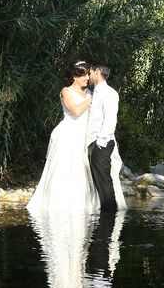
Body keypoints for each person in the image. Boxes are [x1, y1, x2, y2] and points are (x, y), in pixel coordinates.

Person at [26, 61, 99, 212]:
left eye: (88, 75)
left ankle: (79, 204)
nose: (87, 78)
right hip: (69, 134)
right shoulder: (66, 91)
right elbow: (76, 111)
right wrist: (91, 100)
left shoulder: (89, 92)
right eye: (84, 75)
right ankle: (59, 203)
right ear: (75, 76)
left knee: (81, 169)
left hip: (84, 134)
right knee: (65, 168)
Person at [86, 64, 127, 212]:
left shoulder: (109, 93)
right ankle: (105, 216)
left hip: (101, 143)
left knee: (104, 182)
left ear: (97, 72)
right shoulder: (92, 93)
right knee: (98, 181)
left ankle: (109, 217)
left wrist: (101, 142)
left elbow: (110, 119)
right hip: (92, 141)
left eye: (90, 72)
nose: (88, 76)